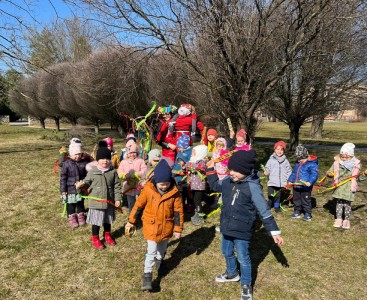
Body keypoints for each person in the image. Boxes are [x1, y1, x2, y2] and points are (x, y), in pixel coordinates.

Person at [206, 150, 284, 300]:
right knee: (226, 251)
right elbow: (215, 185)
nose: (232, 173)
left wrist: (274, 232)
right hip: (227, 225)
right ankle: (232, 273)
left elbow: (264, 210)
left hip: (242, 229)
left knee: (243, 257)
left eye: (236, 171)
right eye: (231, 169)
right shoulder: (228, 181)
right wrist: (210, 170)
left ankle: (246, 284)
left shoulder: (252, 187)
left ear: (247, 171)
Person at [125, 159, 184, 291]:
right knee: (151, 251)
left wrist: (178, 228)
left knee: (162, 248)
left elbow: (178, 212)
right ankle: (147, 276)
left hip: (166, 227)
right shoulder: (148, 189)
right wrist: (131, 221)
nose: (164, 186)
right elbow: (138, 206)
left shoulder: (174, 193)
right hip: (151, 226)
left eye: (167, 183)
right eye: (162, 184)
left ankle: (160, 261)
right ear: (156, 181)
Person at [75, 147, 122, 249]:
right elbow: (86, 183)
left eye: (107, 158)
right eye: (102, 158)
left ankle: (107, 235)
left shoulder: (112, 172)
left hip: (109, 202)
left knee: (107, 221)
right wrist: (81, 185)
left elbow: (117, 186)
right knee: (96, 222)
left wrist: (118, 199)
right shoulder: (92, 172)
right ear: (97, 159)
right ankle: (95, 238)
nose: (105, 160)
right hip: (96, 203)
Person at [327, 143, 361, 229]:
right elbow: (330, 171)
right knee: (338, 203)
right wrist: (329, 174)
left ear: (351, 156)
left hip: (349, 188)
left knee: (347, 205)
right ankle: (338, 219)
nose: (344, 159)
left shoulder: (356, 165)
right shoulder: (337, 163)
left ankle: (346, 220)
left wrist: (364, 174)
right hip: (339, 187)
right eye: (342, 157)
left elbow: (359, 178)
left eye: (346, 157)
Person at [60, 142, 89, 228]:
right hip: (70, 188)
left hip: (80, 187)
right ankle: (72, 217)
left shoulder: (84, 163)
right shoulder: (66, 164)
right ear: (70, 154)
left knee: (80, 202)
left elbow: (87, 175)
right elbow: (63, 178)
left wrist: (83, 182)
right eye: (75, 154)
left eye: (79, 154)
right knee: (71, 204)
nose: (77, 156)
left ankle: (81, 216)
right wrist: (63, 190)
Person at [288, 145, 319, 221]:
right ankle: (297, 211)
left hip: (305, 186)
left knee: (305, 200)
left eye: (301, 159)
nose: (299, 161)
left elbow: (314, 174)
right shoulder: (297, 163)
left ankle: (307, 213)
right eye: (298, 159)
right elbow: (294, 173)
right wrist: (290, 180)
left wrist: (310, 182)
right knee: (296, 199)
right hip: (296, 185)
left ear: (306, 156)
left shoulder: (312, 164)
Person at [264, 141, 292, 215]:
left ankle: (277, 207)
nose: (279, 151)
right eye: (278, 149)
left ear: (284, 151)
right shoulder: (271, 160)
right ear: (274, 150)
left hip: (281, 183)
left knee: (278, 196)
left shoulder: (285, 161)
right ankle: (269, 204)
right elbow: (267, 168)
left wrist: (289, 180)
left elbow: (289, 171)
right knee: (270, 194)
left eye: (281, 149)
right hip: (272, 182)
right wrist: (266, 172)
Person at [117, 143, 147, 211]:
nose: (132, 154)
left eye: (134, 152)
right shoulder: (123, 162)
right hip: (128, 186)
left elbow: (145, 171)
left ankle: (139, 215)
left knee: (139, 201)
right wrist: (124, 175)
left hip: (138, 185)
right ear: (127, 154)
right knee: (131, 203)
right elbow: (119, 172)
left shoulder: (140, 161)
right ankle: (131, 216)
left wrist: (137, 174)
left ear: (137, 153)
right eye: (130, 153)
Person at [186, 144, 208, 225]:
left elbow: (197, 167)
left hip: (199, 186)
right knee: (195, 200)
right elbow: (188, 166)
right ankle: (197, 213)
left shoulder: (202, 161)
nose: (192, 153)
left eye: (194, 152)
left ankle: (200, 216)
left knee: (197, 200)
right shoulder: (193, 160)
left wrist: (189, 164)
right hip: (193, 185)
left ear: (199, 153)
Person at [172, 134, 193, 212]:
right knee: (180, 193)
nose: (178, 148)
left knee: (188, 192)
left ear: (185, 145)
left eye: (179, 147)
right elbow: (176, 163)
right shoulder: (179, 152)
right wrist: (173, 173)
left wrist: (185, 166)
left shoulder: (189, 153)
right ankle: (181, 206)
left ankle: (190, 205)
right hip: (178, 177)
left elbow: (190, 163)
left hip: (185, 177)